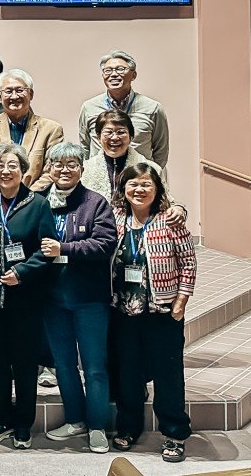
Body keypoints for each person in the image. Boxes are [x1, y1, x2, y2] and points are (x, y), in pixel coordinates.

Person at [110, 163, 196, 463]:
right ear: (124, 189)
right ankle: (129, 427)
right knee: (128, 373)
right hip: (123, 310)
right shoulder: (115, 219)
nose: (139, 189)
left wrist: (182, 299)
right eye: (133, 184)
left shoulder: (170, 221)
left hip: (163, 311)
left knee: (168, 374)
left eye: (146, 184)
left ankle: (174, 433)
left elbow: (188, 262)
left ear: (157, 188)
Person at [0, 143, 55, 450]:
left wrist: (23, 272)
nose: (5, 171)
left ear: (23, 171)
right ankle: (1, 418)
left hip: (26, 300)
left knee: (24, 363)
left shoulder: (38, 204)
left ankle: (23, 423)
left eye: (12, 166)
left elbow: (47, 249)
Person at [37, 142, 117, 454]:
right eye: (58, 164)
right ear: (49, 169)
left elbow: (104, 244)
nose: (65, 169)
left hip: (89, 300)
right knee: (64, 364)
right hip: (53, 300)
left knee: (95, 366)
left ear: (81, 169)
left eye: (71, 164)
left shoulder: (95, 203)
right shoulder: (40, 201)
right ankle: (75, 420)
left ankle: (97, 426)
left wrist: (65, 249)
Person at [0, 69, 64, 193]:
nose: (14, 96)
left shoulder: (51, 129)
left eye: (20, 90)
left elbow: (51, 171)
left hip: (36, 201)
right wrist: (1, 197)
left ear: (30, 94)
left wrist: (26, 198)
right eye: (8, 91)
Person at [81, 110, 184, 223]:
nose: (115, 138)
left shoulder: (152, 168)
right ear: (98, 137)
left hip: (139, 232)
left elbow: (166, 203)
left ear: (131, 137)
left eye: (121, 132)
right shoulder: (85, 169)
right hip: (96, 234)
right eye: (108, 132)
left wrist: (179, 209)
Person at [78, 51, 169, 168]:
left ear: (134, 75)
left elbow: (161, 151)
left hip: (138, 180)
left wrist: (150, 176)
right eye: (108, 71)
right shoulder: (89, 107)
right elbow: (85, 147)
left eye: (120, 69)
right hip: (100, 179)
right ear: (103, 77)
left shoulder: (153, 108)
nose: (114, 74)